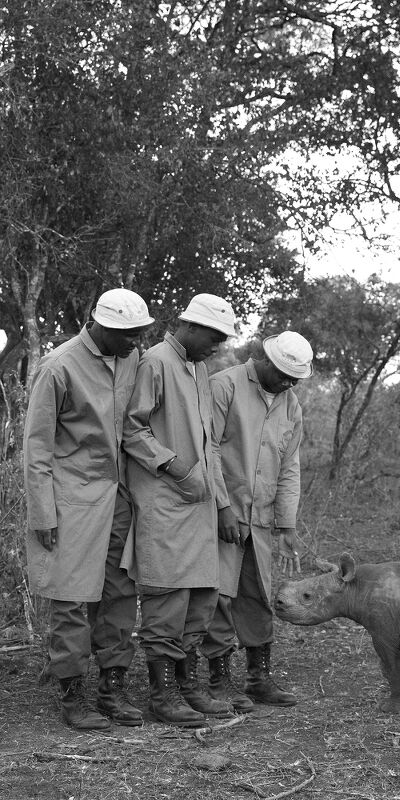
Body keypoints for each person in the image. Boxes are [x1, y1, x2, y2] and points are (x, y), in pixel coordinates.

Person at [24, 288, 155, 731]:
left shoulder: (133, 359)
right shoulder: (58, 365)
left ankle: (112, 689)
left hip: (119, 496)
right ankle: (72, 693)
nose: (134, 342)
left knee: (120, 591)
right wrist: (43, 513)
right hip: (70, 498)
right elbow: (37, 446)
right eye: (126, 335)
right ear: (96, 323)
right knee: (70, 597)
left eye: (139, 335)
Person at [121, 293, 237, 727]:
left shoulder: (199, 367)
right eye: (214, 335)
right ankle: (162, 694)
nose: (218, 345)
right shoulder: (156, 361)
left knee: (202, 597)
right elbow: (131, 429)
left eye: (223, 338)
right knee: (167, 599)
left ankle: (189, 687)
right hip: (166, 502)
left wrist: (222, 503)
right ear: (188, 326)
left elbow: (210, 445)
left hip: (201, 505)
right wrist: (172, 465)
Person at [201, 330, 313, 713]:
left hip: (262, 517)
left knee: (259, 595)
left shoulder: (291, 405)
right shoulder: (224, 386)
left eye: (294, 379)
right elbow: (208, 449)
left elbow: (289, 466)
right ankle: (219, 679)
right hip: (223, 515)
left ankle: (258, 678)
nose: (287, 383)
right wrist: (221, 506)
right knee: (218, 595)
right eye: (282, 374)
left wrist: (287, 525)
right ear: (263, 359)